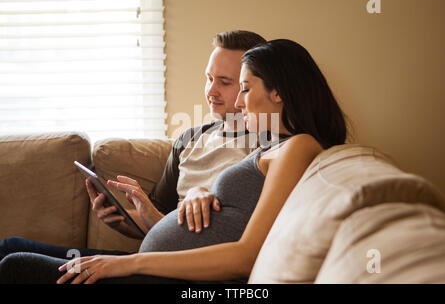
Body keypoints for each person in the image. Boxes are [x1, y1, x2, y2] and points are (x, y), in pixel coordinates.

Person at [0, 39, 348, 284]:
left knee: (15, 266)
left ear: (279, 93)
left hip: (185, 278)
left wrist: (129, 264)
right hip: (163, 268)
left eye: (243, 87)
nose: (238, 102)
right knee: (12, 251)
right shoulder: (272, 148)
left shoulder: (299, 146)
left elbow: (247, 255)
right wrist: (193, 192)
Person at [0, 30, 266, 261]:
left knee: (15, 260)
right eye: (209, 78)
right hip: (151, 256)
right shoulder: (190, 139)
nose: (210, 91)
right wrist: (122, 219)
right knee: (10, 249)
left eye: (225, 82)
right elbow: (158, 217)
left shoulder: (267, 147)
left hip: (184, 264)